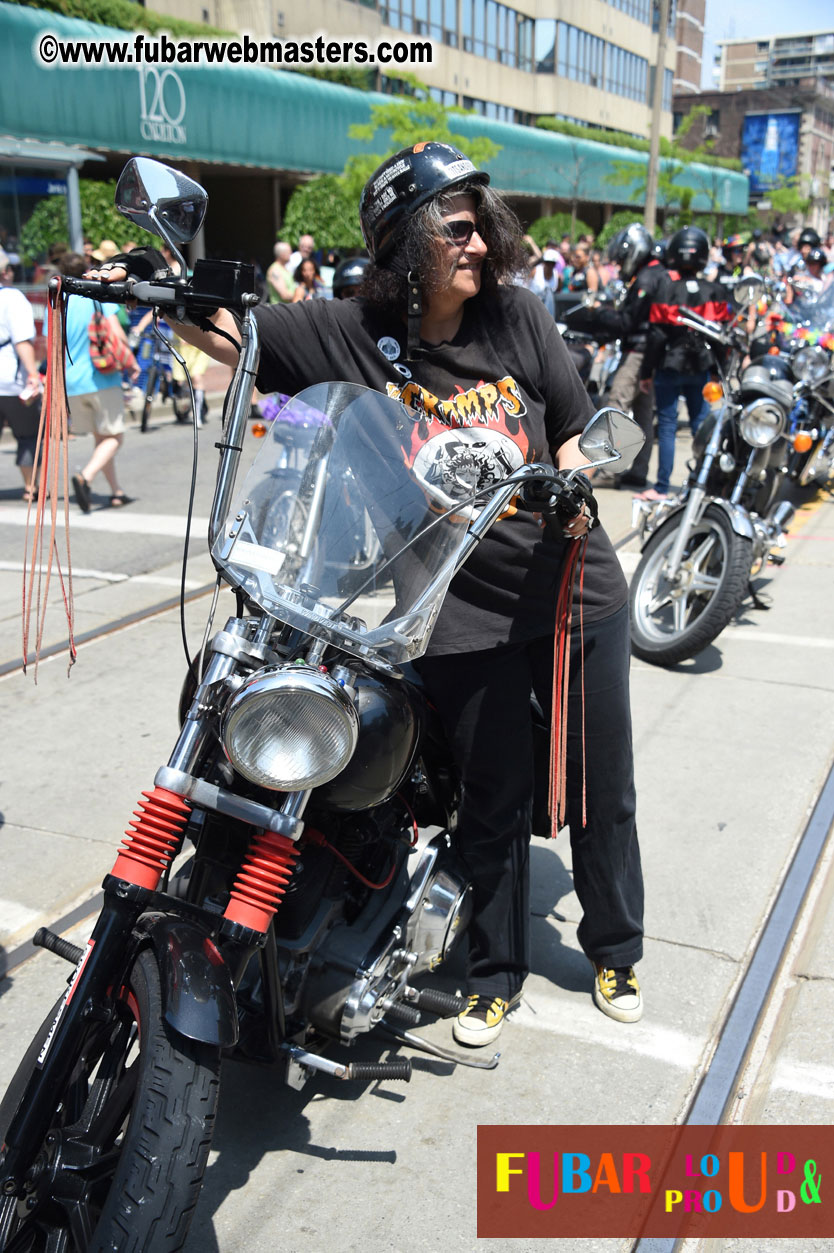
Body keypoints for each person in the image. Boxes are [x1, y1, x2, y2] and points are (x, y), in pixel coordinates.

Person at [90, 141, 645, 1044]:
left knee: (599, 782)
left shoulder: (519, 319)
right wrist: (161, 287)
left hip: (571, 592)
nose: (479, 242)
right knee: (494, 800)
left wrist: (574, 476)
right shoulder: (350, 329)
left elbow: (580, 429)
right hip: (455, 614)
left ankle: (617, 947)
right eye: (456, 228)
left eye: (480, 226)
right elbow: (243, 333)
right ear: (406, 241)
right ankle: (493, 975)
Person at [637, 226, 734, 502]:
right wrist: (719, 371)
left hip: (669, 365)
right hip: (701, 367)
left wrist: (647, 371)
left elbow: (655, 335)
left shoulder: (667, 290)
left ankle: (662, 487)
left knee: (667, 426)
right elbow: (721, 337)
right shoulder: (715, 291)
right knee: (701, 426)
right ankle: (704, 485)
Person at [59, 252, 139, 510]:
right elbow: (116, 334)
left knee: (101, 438)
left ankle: (116, 491)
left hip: (72, 382)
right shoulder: (97, 295)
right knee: (115, 437)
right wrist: (132, 363)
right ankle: (86, 477)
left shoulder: (60, 302)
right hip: (101, 377)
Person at [0, 248, 42, 502]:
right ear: (6, 272)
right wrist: (33, 374)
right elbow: (22, 341)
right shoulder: (13, 298)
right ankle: (30, 487)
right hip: (10, 379)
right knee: (27, 434)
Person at [527, 248, 560, 316]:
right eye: (548, 262)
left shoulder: (557, 276)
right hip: (532, 306)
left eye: (552, 263)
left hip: (547, 310)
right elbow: (525, 285)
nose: (550, 265)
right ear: (544, 262)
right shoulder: (535, 271)